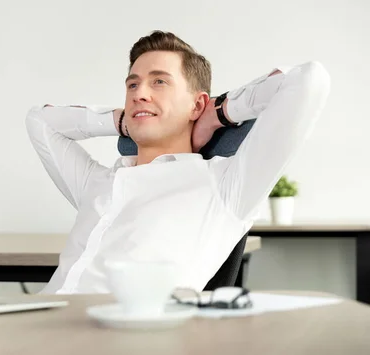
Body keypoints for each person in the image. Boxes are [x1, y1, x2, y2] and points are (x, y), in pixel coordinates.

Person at [25, 30, 330, 294]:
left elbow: (309, 79)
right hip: (36, 325)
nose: (139, 94)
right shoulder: (97, 182)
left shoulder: (224, 186)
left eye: (159, 82)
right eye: (133, 85)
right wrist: (124, 121)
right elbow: (40, 121)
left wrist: (218, 112)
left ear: (197, 103)